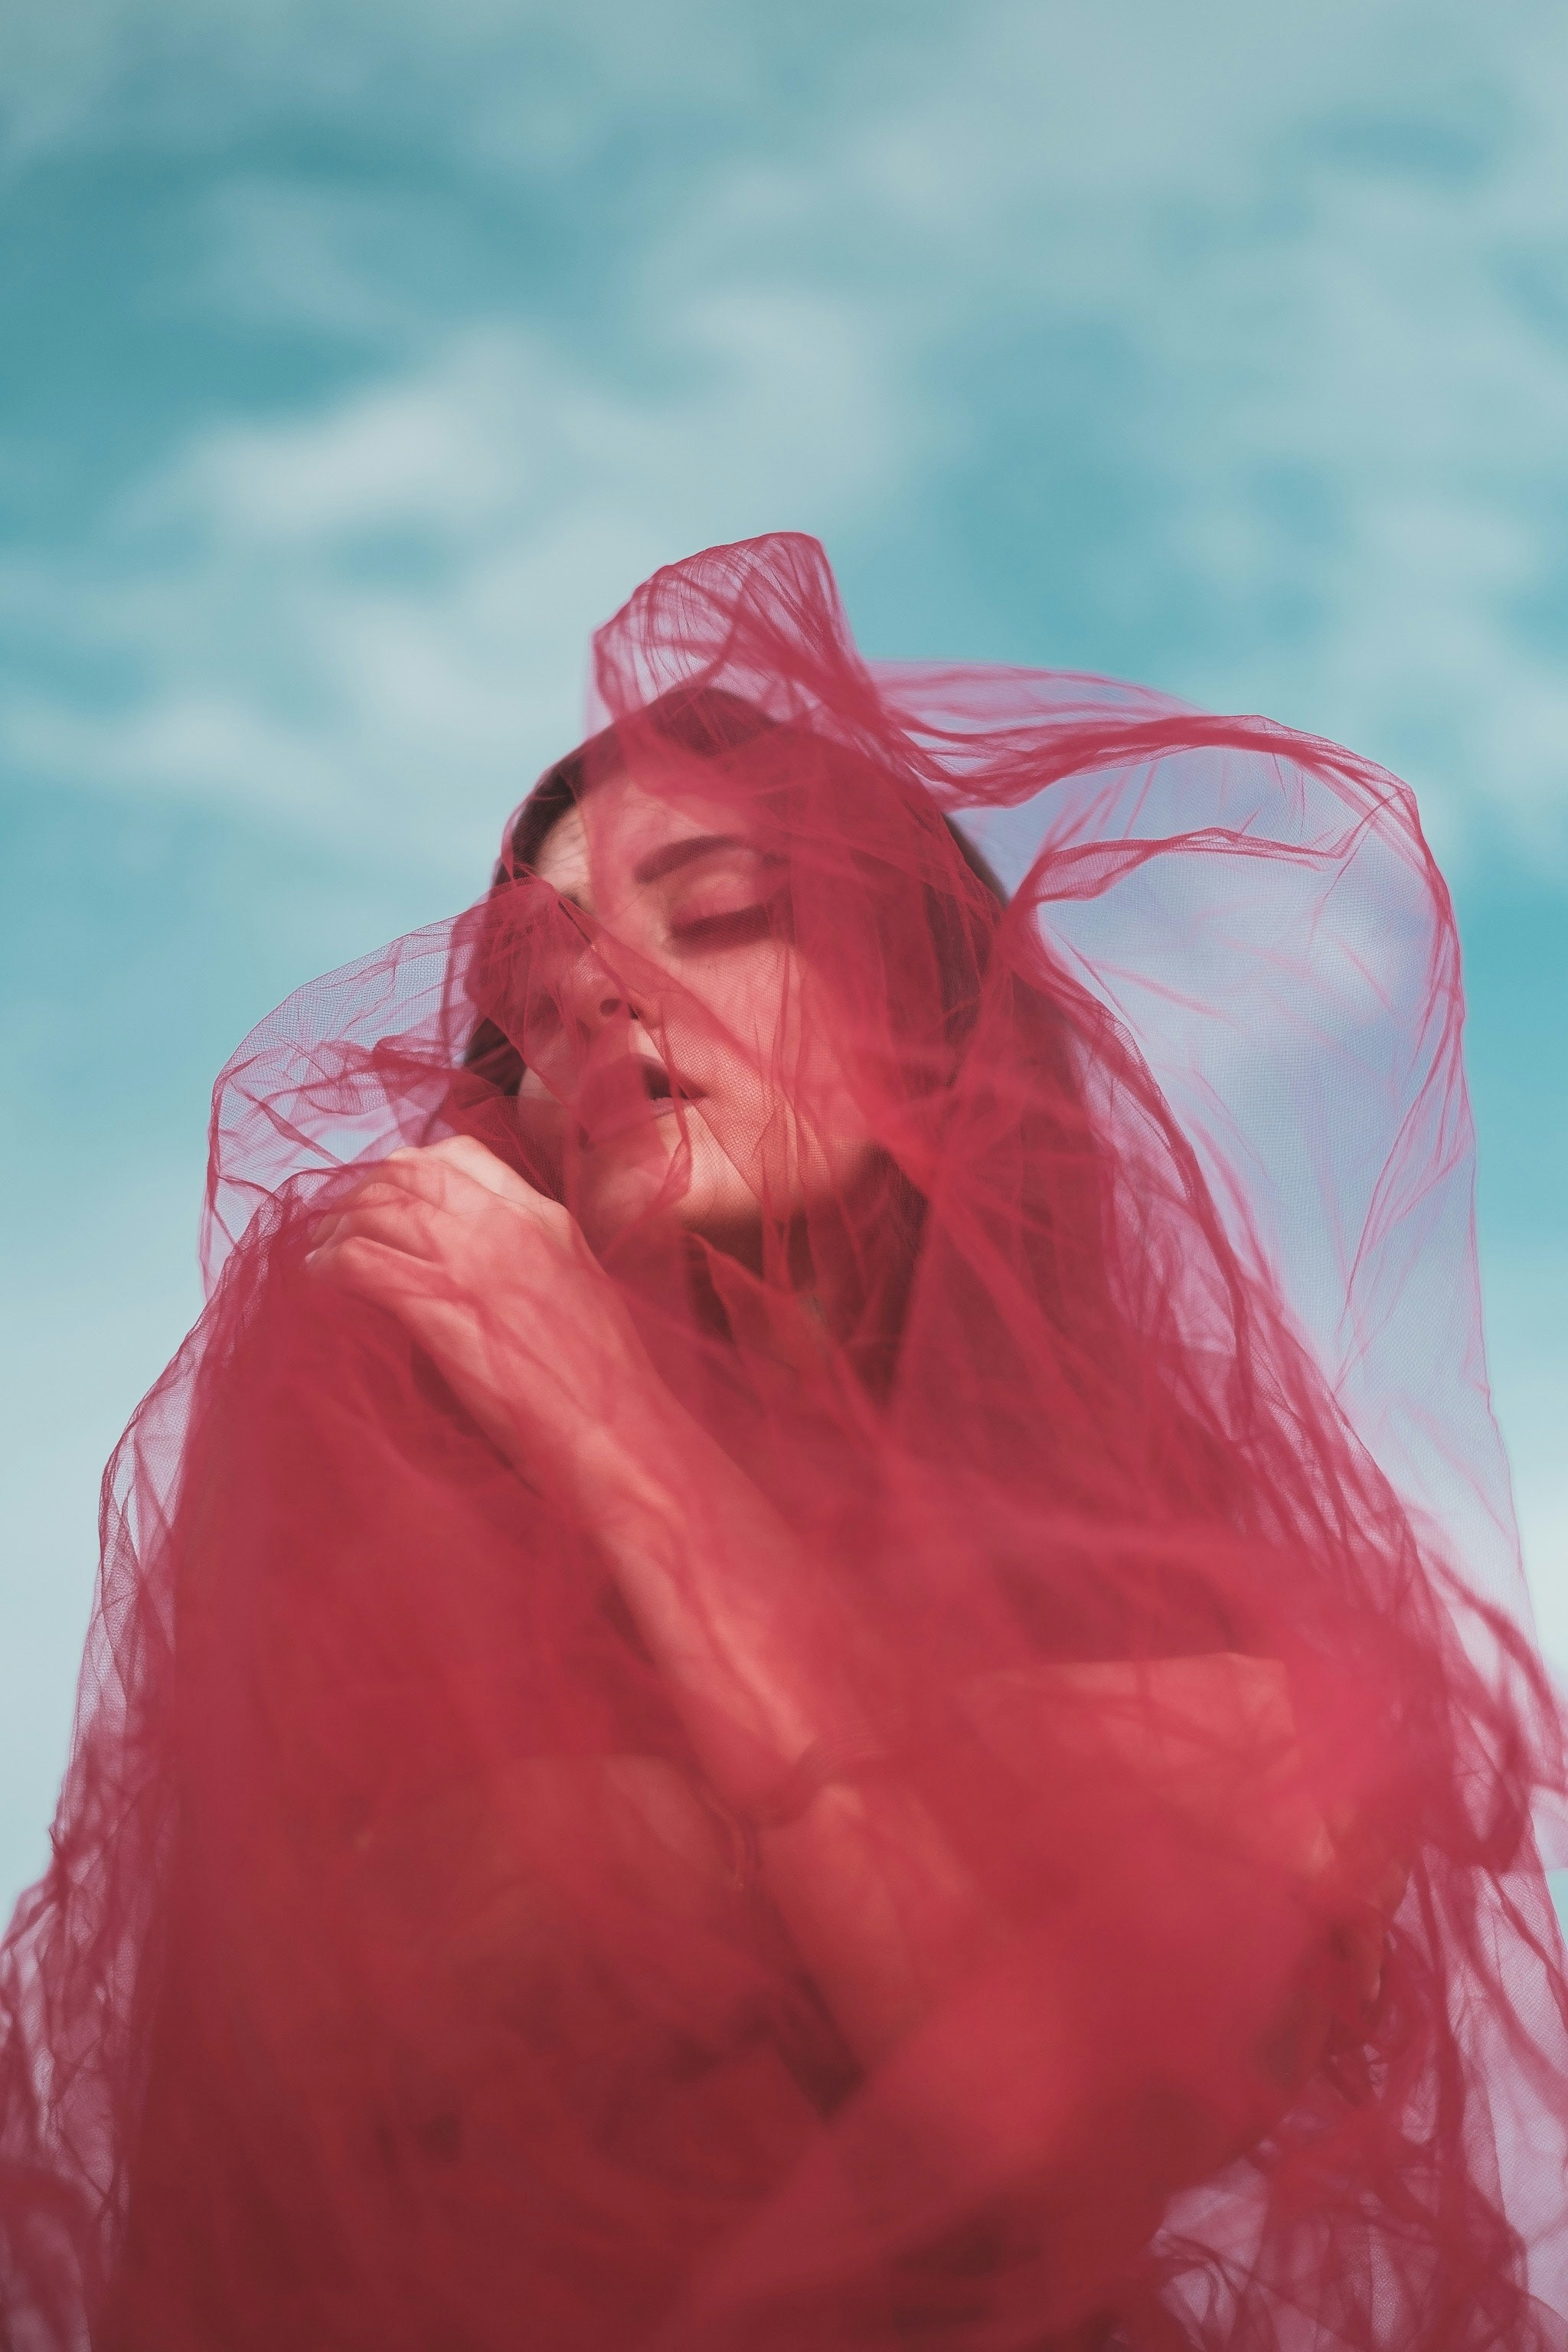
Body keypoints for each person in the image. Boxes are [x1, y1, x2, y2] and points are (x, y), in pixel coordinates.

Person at [2, 532, 1566, 2350]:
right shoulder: (411, 1553)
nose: (591, 994)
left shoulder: (1280, 1658)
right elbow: (282, 2159)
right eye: (533, 980)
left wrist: (590, 1399)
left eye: (723, 912)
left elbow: (1031, 2132)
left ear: (936, 1021)